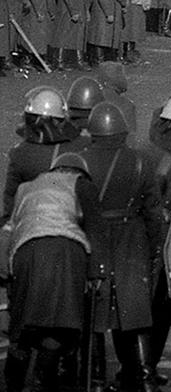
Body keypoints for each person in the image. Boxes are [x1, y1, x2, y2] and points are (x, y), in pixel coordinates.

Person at [78, 102, 163, 392]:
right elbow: (153, 213)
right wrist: (153, 248)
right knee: (135, 316)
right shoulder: (141, 161)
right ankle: (145, 379)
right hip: (132, 238)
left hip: (94, 236)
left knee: (94, 315)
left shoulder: (80, 161)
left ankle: (97, 381)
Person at [4, 152, 99, 391]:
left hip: (26, 251)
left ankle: (13, 382)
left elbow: (11, 226)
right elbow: (95, 228)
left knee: (24, 324)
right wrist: (97, 270)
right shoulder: (80, 185)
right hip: (64, 251)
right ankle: (43, 382)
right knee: (58, 323)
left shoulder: (26, 187)